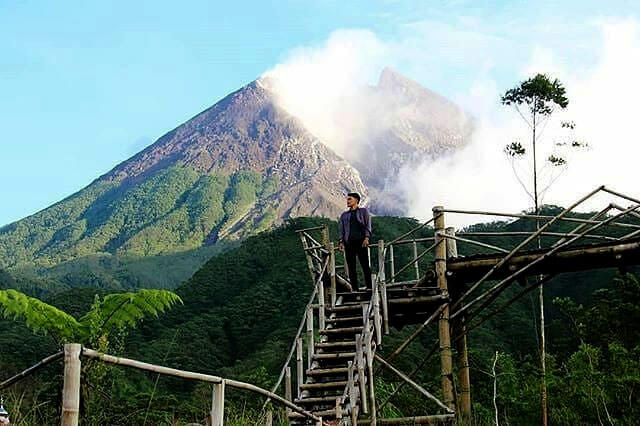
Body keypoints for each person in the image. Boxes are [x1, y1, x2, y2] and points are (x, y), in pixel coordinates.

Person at [338, 192, 372, 290]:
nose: (347, 201)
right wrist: (341, 241)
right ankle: (355, 289)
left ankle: (369, 287)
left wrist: (366, 237)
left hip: (361, 242)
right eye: (347, 199)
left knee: (365, 265)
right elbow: (341, 229)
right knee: (351, 267)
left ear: (356, 200)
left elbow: (368, 225)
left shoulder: (363, 212)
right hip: (349, 243)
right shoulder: (344, 215)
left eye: (350, 199)